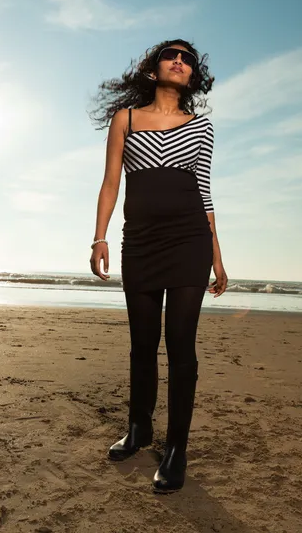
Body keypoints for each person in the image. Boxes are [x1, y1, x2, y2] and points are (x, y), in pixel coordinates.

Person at [89, 38, 228, 494]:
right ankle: (140, 427)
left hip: (189, 241)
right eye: (172, 55)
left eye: (187, 59)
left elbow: (204, 194)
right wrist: (99, 237)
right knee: (142, 344)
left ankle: (176, 449)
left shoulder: (202, 126)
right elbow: (111, 182)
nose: (180, 62)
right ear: (153, 69)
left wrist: (217, 255)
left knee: (181, 346)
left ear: (193, 75)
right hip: (142, 242)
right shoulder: (126, 119)